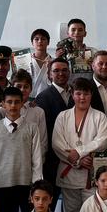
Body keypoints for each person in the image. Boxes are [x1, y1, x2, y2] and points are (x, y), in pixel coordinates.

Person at [52, 77, 107, 212]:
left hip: (90, 175)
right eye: (78, 94)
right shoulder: (63, 116)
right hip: (69, 174)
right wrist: (78, 161)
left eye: (86, 94)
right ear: (72, 95)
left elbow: (102, 141)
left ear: (91, 95)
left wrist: (79, 152)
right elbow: (57, 144)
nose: (82, 97)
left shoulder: (99, 116)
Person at [34, 57, 73, 185]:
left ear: (69, 72)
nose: (61, 73)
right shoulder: (43, 98)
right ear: (49, 74)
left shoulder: (76, 94)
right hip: (52, 159)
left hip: (75, 155)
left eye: (64, 70)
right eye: (56, 71)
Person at [18, 28, 54, 93]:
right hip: (28, 96)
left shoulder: (54, 62)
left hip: (49, 96)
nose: (40, 41)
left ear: (48, 42)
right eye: (36, 39)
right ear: (32, 43)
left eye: (43, 39)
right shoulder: (25, 60)